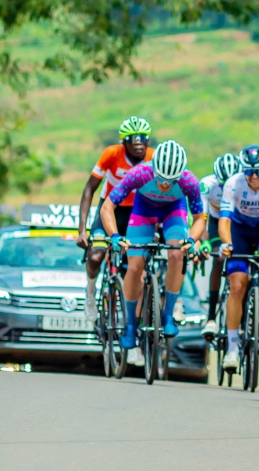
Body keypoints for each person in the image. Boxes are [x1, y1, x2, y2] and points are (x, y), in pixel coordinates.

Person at [100, 140, 206, 350]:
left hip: (173, 212)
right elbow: (107, 207)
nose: (165, 185)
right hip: (144, 211)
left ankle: (168, 316)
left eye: (171, 180)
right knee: (134, 267)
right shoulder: (139, 173)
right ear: (153, 168)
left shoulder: (189, 181)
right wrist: (113, 235)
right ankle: (131, 324)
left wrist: (192, 240)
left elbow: (200, 218)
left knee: (177, 254)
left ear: (181, 175)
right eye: (161, 178)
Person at [77, 117, 155, 323]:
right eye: (133, 141)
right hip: (109, 210)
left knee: (135, 267)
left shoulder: (154, 158)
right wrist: (82, 229)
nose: (139, 146)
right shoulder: (112, 154)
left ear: (148, 142)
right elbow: (89, 189)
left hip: (137, 213)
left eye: (143, 141)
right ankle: (91, 291)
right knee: (95, 257)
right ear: (124, 143)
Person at [219, 145, 259, 369]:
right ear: (242, 170)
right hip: (240, 230)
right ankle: (232, 348)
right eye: (249, 172)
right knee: (236, 286)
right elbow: (225, 219)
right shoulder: (233, 183)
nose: (254, 176)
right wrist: (227, 243)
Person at [199, 153, 242, 340]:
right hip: (216, 223)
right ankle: (211, 318)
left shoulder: (243, 183)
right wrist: (204, 241)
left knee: (243, 264)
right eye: (222, 184)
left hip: (237, 221)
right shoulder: (207, 185)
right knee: (218, 260)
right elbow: (202, 217)